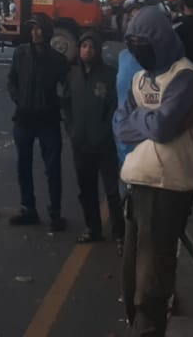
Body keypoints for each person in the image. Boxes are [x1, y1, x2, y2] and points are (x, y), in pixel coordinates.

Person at [114, 6, 193, 336]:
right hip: (137, 184)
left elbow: (162, 127)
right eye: (132, 44)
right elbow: (122, 127)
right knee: (131, 274)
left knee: (152, 278)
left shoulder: (186, 77)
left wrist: (143, 119)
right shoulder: (140, 79)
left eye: (142, 44)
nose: (137, 51)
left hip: (169, 185)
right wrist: (150, 120)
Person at [6, 15, 69, 231]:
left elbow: (68, 88)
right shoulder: (21, 54)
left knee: (52, 168)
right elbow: (12, 80)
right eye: (33, 29)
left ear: (47, 32)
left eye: (39, 29)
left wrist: (57, 103)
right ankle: (28, 209)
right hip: (24, 118)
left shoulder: (58, 60)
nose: (35, 33)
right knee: (23, 166)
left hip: (48, 120)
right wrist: (19, 98)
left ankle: (55, 213)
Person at [63, 32, 122, 244]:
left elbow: (114, 108)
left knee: (112, 191)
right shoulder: (73, 76)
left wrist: (104, 133)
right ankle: (93, 228)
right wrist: (72, 130)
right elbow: (66, 106)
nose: (87, 50)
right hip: (80, 144)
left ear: (97, 51)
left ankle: (120, 234)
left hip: (105, 145)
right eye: (84, 46)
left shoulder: (109, 75)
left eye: (91, 47)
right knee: (86, 190)